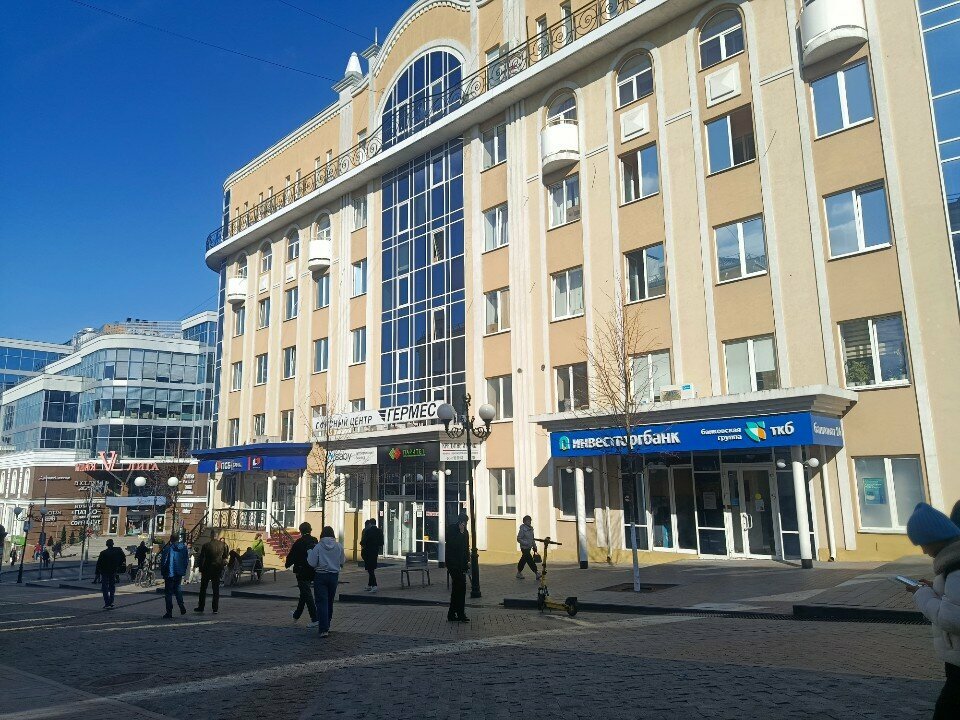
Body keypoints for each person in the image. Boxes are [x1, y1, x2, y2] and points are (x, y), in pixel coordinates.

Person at [904, 502, 960, 719]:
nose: (923, 551)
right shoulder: (953, 564)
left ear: (934, 538)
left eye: (922, 544)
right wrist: (936, 588)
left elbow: (952, 618)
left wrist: (922, 594)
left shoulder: (956, 568)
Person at [307, 526, 345, 638]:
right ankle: (327, 625)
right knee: (330, 601)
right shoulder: (338, 546)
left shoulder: (318, 546)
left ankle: (323, 629)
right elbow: (342, 561)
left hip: (320, 576)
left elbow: (312, 563)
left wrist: (309, 552)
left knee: (321, 602)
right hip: (334, 576)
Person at [285, 522, 318, 624]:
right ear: (310, 530)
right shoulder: (315, 540)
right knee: (304, 593)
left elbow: (292, 556)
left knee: (306, 593)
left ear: (300, 531)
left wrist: (287, 564)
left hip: (301, 571)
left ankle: (315, 618)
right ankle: (296, 615)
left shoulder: (299, 542)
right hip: (312, 570)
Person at [194, 530, 229, 615]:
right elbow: (225, 556)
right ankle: (215, 608)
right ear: (217, 536)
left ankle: (201, 607)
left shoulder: (206, 545)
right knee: (215, 589)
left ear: (211, 536)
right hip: (217, 568)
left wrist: (201, 568)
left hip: (207, 568)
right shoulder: (223, 545)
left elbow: (202, 557)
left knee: (203, 589)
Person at [446, 510, 470, 623]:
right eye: (463, 522)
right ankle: (459, 613)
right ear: (460, 522)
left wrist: (467, 562)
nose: (464, 524)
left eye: (466, 523)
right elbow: (453, 544)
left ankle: (453, 613)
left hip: (461, 565)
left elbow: (466, 548)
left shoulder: (466, 532)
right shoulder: (452, 529)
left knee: (459, 589)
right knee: (458, 587)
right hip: (453, 564)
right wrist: (460, 532)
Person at [159, 533, 189, 619]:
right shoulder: (184, 548)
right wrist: (183, 569)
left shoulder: (168, 548)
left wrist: (163, 572)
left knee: (168, 593)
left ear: (171, 539)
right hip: (179, 572)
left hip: (170, 573)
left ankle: (169, 612)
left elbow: (164, 562)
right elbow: (186, 560)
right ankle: (181, 606)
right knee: (178, 589)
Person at [94, 539, 126, 610]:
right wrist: (118, 565)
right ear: (113, 544)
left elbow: (98, 564)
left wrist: (97, 573)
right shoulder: (118, 550)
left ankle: (107, 602)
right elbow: (123, 558)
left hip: (104, 571)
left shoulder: (103, 553)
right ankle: (111, 601)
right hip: (113, 570)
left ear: (106, 545)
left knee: (105, 587)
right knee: (112, 586)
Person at [360, 518, 384, 592]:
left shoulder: (368, 531)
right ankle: (369, 585)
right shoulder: (379, 531)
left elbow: (363, 542)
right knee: (371, 569)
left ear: (370, 523)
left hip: (368, 552)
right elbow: (381, 543)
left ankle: (374, 585)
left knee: (370, 570)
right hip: (375, 552)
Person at [516, 515, 540, 580]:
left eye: (530, 520)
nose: (529, 522)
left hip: (529, 547)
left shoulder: (531, 529)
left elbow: (532, 539)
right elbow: (519, 538)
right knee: (530, 559)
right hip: (524, 548)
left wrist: (534, 546)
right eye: (528, 520)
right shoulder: (522, 529)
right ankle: (536, 573)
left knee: (523, 560)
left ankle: (519, 573)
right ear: (524, 521)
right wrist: (526, 543)